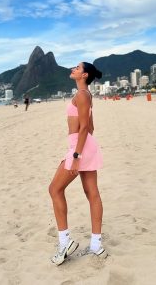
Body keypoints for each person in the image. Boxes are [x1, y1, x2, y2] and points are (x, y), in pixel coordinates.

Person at [49, 62, 106, 266]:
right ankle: (95, 245)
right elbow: (91, 126)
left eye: (77, 68)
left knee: (55, 189)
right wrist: (82, 149)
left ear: (84, 75)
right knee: (92, 193)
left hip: (79, 148)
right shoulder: (87, 95)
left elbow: (84, 129)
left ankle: (65, 243)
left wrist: (75, 154)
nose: (73, 69)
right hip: (84, 147)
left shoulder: (82, 95)